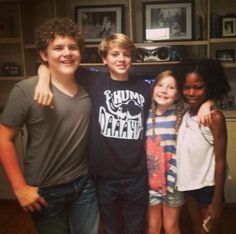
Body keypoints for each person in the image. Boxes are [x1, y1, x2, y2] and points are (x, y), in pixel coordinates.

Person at [34, 33, 151, 234]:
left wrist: (207, 105)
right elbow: (49, 66)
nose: (121, 59)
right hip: (105, 176)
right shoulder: (93, 79)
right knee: (112, 227)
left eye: (126, 54)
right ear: (104, 59)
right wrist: (43, 82)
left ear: (132, 57)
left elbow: (173, 95)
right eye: (115, 54)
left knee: (136, 227)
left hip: (137, 174)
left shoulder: (144, 86)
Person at [0, 17, 99, 234]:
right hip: (46, 191)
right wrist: (19, 188)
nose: (67, 53)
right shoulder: (25, 90)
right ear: (44, 55)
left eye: (73, 47)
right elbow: (3, 139)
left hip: (84, 184)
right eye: (58, 48)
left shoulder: (89, 83)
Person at [174, 58, 231, 234]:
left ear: (209, 86)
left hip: (208, 188)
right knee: (197, 228)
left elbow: (220, 161)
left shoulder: (214, 118)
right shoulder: (184, 112)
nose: (191, 92)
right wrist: (208, 101)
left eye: (198, 87)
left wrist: (216, 201)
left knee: (209, 230)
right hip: (189, 185)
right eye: (186, 87)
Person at [146, 70, 185, 234]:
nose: (163, 90)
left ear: (177, 94)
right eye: (160, 85)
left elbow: (208, 101)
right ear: (153, 88)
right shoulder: (144, 114)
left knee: (171, 227)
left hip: (174, 182)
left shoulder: (183, 113)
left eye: (171, 87)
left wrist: (208, 104)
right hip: (150, 181)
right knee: (153, 227)